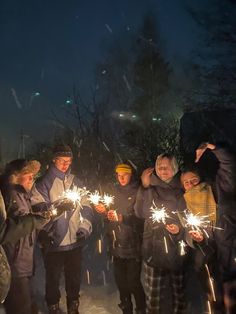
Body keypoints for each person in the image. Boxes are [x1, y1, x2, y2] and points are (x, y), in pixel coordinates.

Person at [31, 144, 94, 314]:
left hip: (75, 240)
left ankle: (73, 304)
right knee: (52, 278)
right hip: (53, 241)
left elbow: (87, 207)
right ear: (54, 160)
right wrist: (57, 209)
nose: (66, 165)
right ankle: (53, 305)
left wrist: (84, 229)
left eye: (69, 161)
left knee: (74, 276)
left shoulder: (76, 181)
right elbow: (38, 212)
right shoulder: (43, 183)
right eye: (62, 161)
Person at [181, 142, 236, 314]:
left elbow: (230, 165)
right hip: (207, 264)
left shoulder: (220, 189)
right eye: (186, 183)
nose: (191, 185)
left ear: (201, 178)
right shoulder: (186, 204)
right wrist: (195, 239)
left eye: (193, 180)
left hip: (230, 260)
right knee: (214, 303)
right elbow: (186, 233)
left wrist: (214, 147)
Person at [134, 153, 188, 314]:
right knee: (154, 297)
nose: (163, 170)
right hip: (153, 250)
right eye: (159, 167)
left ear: (175, 169)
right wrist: (143, 187)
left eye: (167, 167)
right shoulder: (149, 187)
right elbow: (140, 212)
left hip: (176, 252)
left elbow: (188, 218)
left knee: (179, 296)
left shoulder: (183, 189)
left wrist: (178, 229)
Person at [95, 163, 146, 314]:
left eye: (125, 175)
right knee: (121, 282)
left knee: (133, 282)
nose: (122, 178)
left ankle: (141, 309)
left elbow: (142, 219)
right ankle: (126, 308)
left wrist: (123, 218)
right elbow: (110, 215)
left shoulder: (138, 191)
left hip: (133, 245)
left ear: (131, 175)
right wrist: (104, 212)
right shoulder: (113, 191)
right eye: (119, 175)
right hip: (116, 244)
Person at [0, 159, 49, 314]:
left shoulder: (23, 195)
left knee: (29, 306)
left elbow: (27, 223)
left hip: (24, 265)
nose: (31, 180)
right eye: (28, 176)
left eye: (33, 176)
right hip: (15, 266)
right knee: (20, 308)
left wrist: (42, 230)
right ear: (15, 176)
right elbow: (10, 229)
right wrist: (37, 219)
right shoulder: (10, 194)